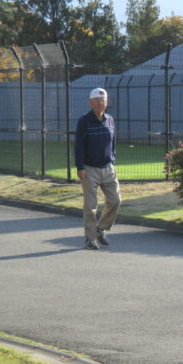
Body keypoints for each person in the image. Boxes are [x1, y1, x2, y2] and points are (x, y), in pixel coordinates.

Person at [75, 88, 121, 250]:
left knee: (115, 200)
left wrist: (112, 159)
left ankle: (101, 228)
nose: (101, 103)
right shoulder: (84, 121)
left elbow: (113, 142)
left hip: (108, 168)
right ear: (91, 102)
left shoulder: (110, 120)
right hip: (89, 169)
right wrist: (80, 167)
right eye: (97, 101)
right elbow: (79, 145)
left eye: (104, 101)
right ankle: (90, 238)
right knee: (90, 206)